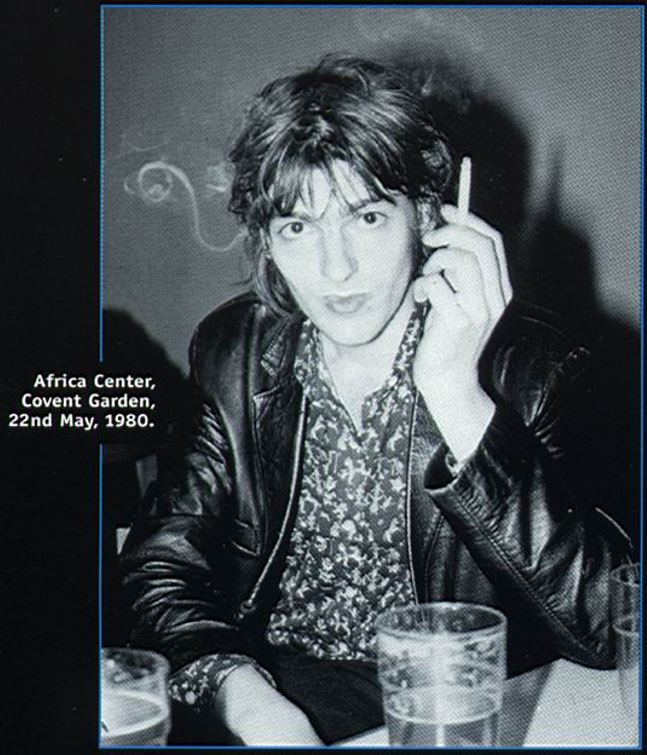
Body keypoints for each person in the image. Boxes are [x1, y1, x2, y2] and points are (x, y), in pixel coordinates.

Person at [120, 55, 633, 745]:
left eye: (365, 216)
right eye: (297, 227)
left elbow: (609, 629)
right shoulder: (232, 351)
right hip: (260, 683)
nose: (335, 268)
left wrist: (457, 394)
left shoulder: (531, 370)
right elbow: (161, 566)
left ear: (424, 215)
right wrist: (249, 701)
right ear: (267, 241)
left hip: (452, 707)